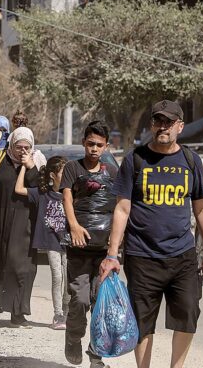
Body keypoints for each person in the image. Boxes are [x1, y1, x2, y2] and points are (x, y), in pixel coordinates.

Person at [99, 100, 203, 368]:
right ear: (151, 124)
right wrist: (112, 255)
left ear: (180, 126)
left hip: (182, 255)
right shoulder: (135, 159)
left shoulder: (191, 160)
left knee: (188, 313)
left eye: (169, 122)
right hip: (143, 256)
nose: (163, 127)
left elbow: (201, 209)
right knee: (143, 321)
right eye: (158, 121)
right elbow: (122, 208)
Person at [61, 121, 117, 367]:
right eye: (90, 143)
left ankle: (96, 355)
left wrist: (116, 248)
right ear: (84, 142)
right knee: (80, 299)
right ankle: (73, 337)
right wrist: (73, 226)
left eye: (99, 145)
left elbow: (121, 208)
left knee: (100, 303)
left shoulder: (113, 173)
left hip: (104, 250)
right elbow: (66, 197)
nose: (94, 149)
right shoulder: (73, 168)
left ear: (106, 146)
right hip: (78, 249)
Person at [0, 127, 41, 327]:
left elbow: (40, 191)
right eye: (18, 147)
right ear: (11, 144)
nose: (22, 151)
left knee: (22, 267)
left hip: (23, 221)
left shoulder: (35, 162)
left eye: (26, 147)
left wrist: (30, 167)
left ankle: (18, 312)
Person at [15, 155, 69, 330]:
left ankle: (67, 313)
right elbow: (19, 189)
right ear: (53, 175)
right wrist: (24, 166)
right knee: (57, 276)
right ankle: (58, 313)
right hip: (52, 242)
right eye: (63, 172)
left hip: (69, 242)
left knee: (69, 279)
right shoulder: (42, 194)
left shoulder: (71, 194)